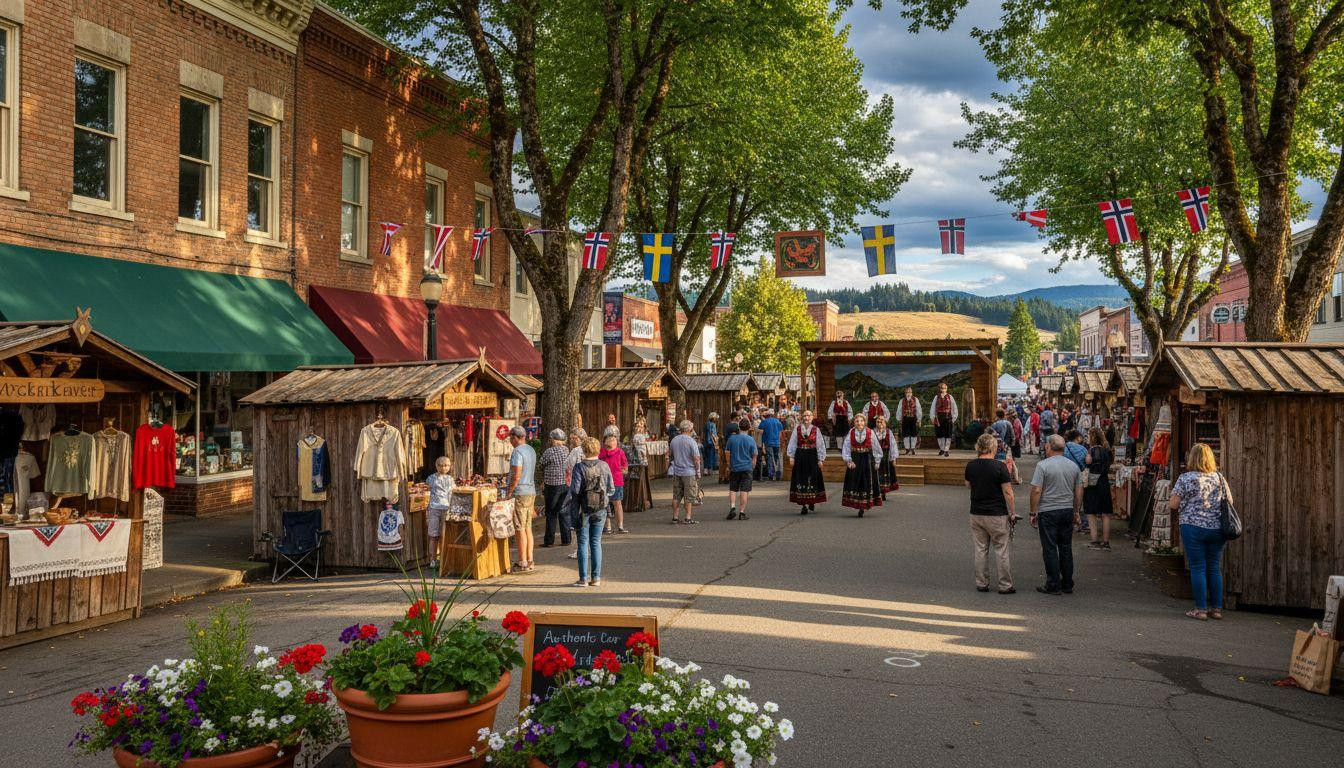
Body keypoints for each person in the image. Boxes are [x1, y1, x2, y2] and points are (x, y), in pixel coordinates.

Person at [1167, 444, 1231, 620]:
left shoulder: (1185, 478)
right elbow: (1229, 501)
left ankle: (1200, 609)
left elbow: (1173, 504)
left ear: (1191, 458)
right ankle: (1216, 609)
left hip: (1192, 527)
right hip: (1217, 528)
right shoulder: (1219, 478)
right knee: (1214, 567)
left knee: (1198, 567)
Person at [1029, 435, 1084, 595]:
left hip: (1048, 510)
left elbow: (1036, 490)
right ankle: (1067, 582)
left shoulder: (1043, 466)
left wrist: (1033, 511)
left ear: (1049, 447)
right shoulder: (1073, 466)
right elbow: (1079, 490)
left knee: (1050, 548)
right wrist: (1076, 510)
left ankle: (1053, 583)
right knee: (1066, 547)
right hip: (1067, 510)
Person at [965, 433, 1016, 594]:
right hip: (997, 513)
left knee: (980, 549)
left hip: (977, 512)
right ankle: (1005, 584)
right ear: (993, 447)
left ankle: (981, 582)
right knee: (1001, 549)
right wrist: (1012, 512)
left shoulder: (971, 465)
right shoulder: (1000, 467)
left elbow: (968, 485)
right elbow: (1008, 492)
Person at [570, 437, 614, 587]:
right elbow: (611, 488)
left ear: (584, 450)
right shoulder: (604, 465)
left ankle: (583, 578)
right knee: (596, 542)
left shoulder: (579, 467)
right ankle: (596, 578)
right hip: (600, 506)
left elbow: (575, 490)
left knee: (583, 542)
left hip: (583, 508)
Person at [503, 426, 537, 574]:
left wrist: (508, 492)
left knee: (519, 528)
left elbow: (516, 475)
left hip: (520, 492)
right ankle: (530, 560)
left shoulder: (517, 452)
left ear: (515, 437)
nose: (510, 441)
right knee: (527, 526)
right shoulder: (531, 450)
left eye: (511, 438)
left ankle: (522, 561)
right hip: (531, 491)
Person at [841, 413, 883, 517]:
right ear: (854, 422)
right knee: (855, 482)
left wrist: (877, 461)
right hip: (855, 460)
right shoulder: (851, 432)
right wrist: (848, 461)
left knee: (866, 482)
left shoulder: (870, 432)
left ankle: (863, 505)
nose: (859, 423)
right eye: (857, 421)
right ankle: (858, 504)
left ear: (865, 422)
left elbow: (877, 448)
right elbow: (846, 448)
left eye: (861, 421)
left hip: (867, 460)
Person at [787, 409, 827, 514]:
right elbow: (793, 443)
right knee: (801, 478)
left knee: (813, 477)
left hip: (812, 456)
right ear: (802, 417)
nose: (806, 418)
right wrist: (791, 457)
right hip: (800, 455)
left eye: (809, 416)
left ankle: (811, 501)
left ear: (812, 417)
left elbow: (820, 444)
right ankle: (803, 505)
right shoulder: (797, 429)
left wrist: (821, 459)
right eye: (805, 416)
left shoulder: (816, 429)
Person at [537, 429, 572, 549]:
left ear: (553, 440)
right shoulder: (567, 450)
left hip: (552, 485)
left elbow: (541, 463)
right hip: (565, 484)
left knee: (551, 513)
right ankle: (566, 539)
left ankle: (549, 541)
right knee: (564, 512)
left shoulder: (549, 451)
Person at [1083, 427, 1114, 550]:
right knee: (1105, 513)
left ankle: (1094, 540)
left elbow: (1088, 462)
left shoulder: (1091, 450)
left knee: (1091, 512)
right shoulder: (1107, 451)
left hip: (1092, 484)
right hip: (1104, 483)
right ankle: (1106, 542)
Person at [668, 420, 702, 524]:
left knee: (676, 495)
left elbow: (670, 455)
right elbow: (696, 459)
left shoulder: (674, 440)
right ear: (690, 429)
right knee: (689, 496)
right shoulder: (692, 442)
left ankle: (675, 517)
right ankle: (688, 517)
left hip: (677, 471)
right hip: (689, 472)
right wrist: (698, 471)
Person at [425, 456, 455, 570]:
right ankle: (432, 560)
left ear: (450, 466)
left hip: (446, 508)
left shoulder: (450, 479)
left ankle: (443, 559)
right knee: (433, 535)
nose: (444, 467)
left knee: (444, 534)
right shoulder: (431, 478)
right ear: (436, 466)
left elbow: (453, 493)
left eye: (446, 465)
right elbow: (426, 490)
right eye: (441, 465)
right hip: (434, 508)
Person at [725, 419, 758, 520]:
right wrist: (753, 463)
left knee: (733, 489)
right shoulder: (750, 439)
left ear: (739, 427)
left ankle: (732, 507)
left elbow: (727, 452)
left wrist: (728, 464)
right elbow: (755, 454)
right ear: (749, 428)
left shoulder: (732, 439)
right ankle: (742, 512)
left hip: (734, 467)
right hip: (746, 467)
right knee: (744, 490)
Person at [599, 433, 629, 534]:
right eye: (609, 440)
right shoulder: (601, 453)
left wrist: (620, 470)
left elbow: (625, 467)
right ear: (604, 442)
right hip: (603, 482)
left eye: (614, 440)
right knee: (604, 504)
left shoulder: (620, 452)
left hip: (616, 481)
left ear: (617, 442)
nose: (612, 441)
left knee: (617, 503)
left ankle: (620, 526)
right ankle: (607, 527)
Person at [872, 414, 899, 499]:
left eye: (882, 420)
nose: (880, 421)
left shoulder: (888, 432)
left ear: (885, 422)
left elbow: (893, 445)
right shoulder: (872, 432)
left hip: (886, 458)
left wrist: (894, 458)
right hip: (876, 457)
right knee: (876, 475)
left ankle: (883, 492)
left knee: (885, 475)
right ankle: (877, 492)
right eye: (878, 420)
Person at [930, 380, 959, 456]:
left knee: (948, 434)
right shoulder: (936, 397)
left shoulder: (950, 397)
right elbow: (933, 408)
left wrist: (953, 418)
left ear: (946, 388)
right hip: (938, 418)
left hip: (948, 417)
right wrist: (932, 417)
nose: (943, 389)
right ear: (939, 389)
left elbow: (954, 408)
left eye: (944, 388)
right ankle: (942, 449)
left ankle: (946, 450)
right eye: (941, 388)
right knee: (940, 434)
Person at [759, 409, 784, 481]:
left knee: (770, 458)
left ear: (767, 415)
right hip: (777, 442)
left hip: (768, 442)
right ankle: (779, 475)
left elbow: (759, 431)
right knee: (778, 458)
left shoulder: (764, 421)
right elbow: (781, 432)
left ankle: (771, 475)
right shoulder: (778, 421)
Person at [897, 387, 922, 455]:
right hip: (905, 418)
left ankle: (913, 448)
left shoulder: (915, 399)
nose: (908, 393)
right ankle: (907, 449)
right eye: (907, 392)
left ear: (912, 393)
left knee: (914, 434)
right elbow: (899, 410)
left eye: (909, 392)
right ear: (905, 393)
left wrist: (919, 419)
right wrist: (899, 419)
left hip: (913, 418)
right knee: (906, 434)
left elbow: (918, 409)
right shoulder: (902, 400)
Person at [702, 413, 720, 477]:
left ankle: (706, 470)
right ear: (713, 418)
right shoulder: (712, 424)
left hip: (705, 442)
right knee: (711, 456)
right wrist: (714, 441)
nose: (717, 419)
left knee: (706, 457)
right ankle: (710, 470)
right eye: (716, 418)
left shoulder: (706, 424)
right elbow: (712, 434)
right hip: (710, 442)